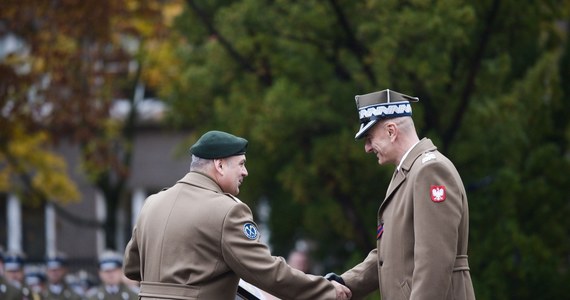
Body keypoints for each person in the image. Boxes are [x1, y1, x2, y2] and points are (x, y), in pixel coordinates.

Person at [123, 130, 352, 300]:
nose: (245, 171)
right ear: (220, 165)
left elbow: (132, 268)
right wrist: (325, 289)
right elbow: (268, 273)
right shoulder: (227, 210)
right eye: (241, 164)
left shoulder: (152, 203)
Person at [327, 89, 475, 299]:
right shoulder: (407, 174)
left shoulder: (429, 171)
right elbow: (390, 255)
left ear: (391, 131)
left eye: (369, 137)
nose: (367, 148)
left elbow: (434, 260)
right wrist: (344, 283)